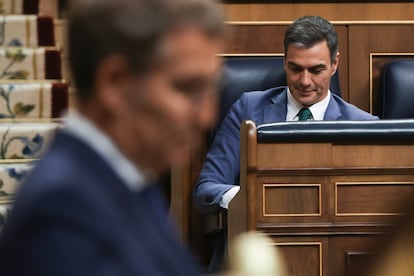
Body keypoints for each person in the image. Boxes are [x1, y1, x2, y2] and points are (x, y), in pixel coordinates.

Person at [0, 0, 225, 275]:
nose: (206, 116)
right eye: (187, 88)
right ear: (115, 83)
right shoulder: (62, 210)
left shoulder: (126, 177)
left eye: (211, 89)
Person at [193, 15, 378, 272]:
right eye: (295, 68)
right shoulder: (248, 108)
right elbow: (205, 190)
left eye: (316, 70)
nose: (304, 81)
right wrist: (249, 198)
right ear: (284, 62)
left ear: (335, 64)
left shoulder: (364, 125)